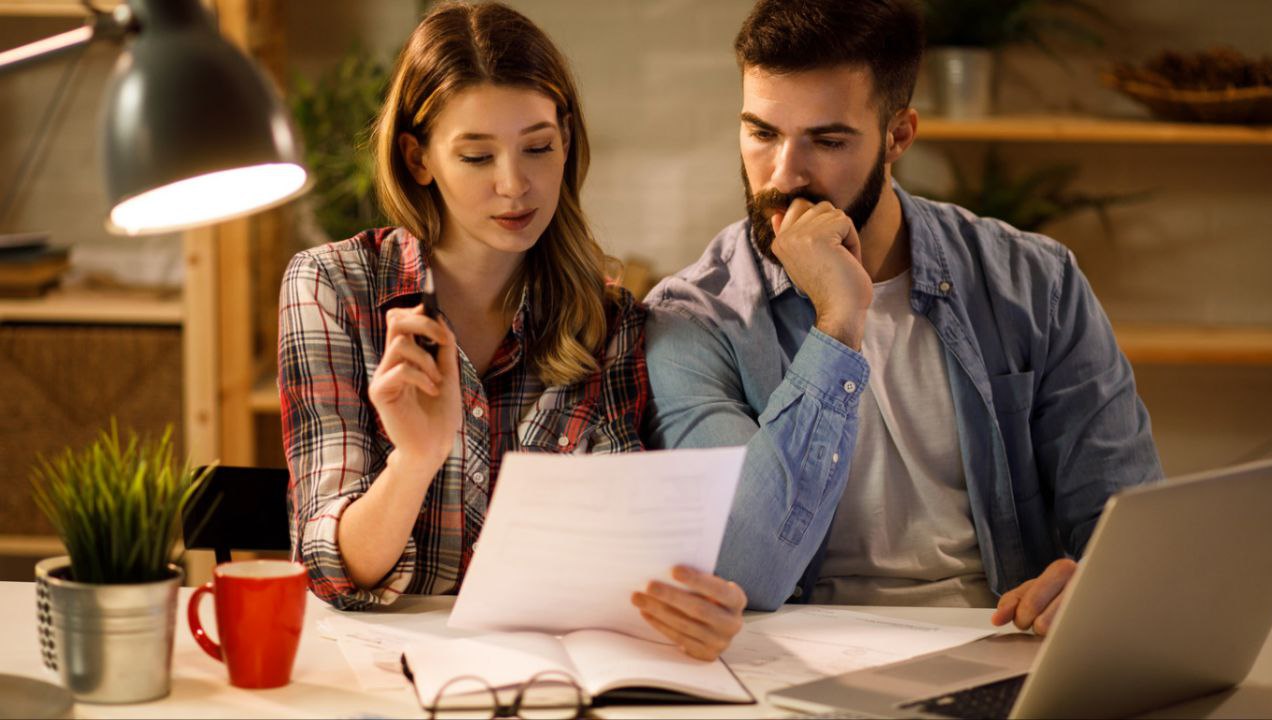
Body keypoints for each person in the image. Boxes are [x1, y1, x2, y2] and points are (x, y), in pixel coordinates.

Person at [643, 0, 1162, 636]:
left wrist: (1093, 580)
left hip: (996, 641)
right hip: (795, 655)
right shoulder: (691, 319)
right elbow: (746, 567)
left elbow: (1130, 530)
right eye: (762, 132)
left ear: (898, 135)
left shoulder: (1037, 283)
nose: (784, 174)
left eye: (827, 140)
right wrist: (838, 325)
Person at [279, 1, 743, 660]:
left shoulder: (610, 323)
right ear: (418, 159)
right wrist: (415, 460)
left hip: (557, 670)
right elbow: (331, 569)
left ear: (567, 141)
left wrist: (695, 603)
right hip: (382, 671)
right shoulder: (333, 289)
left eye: (538, 147)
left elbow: (625, 558)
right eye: (475, 156)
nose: (514, 185)